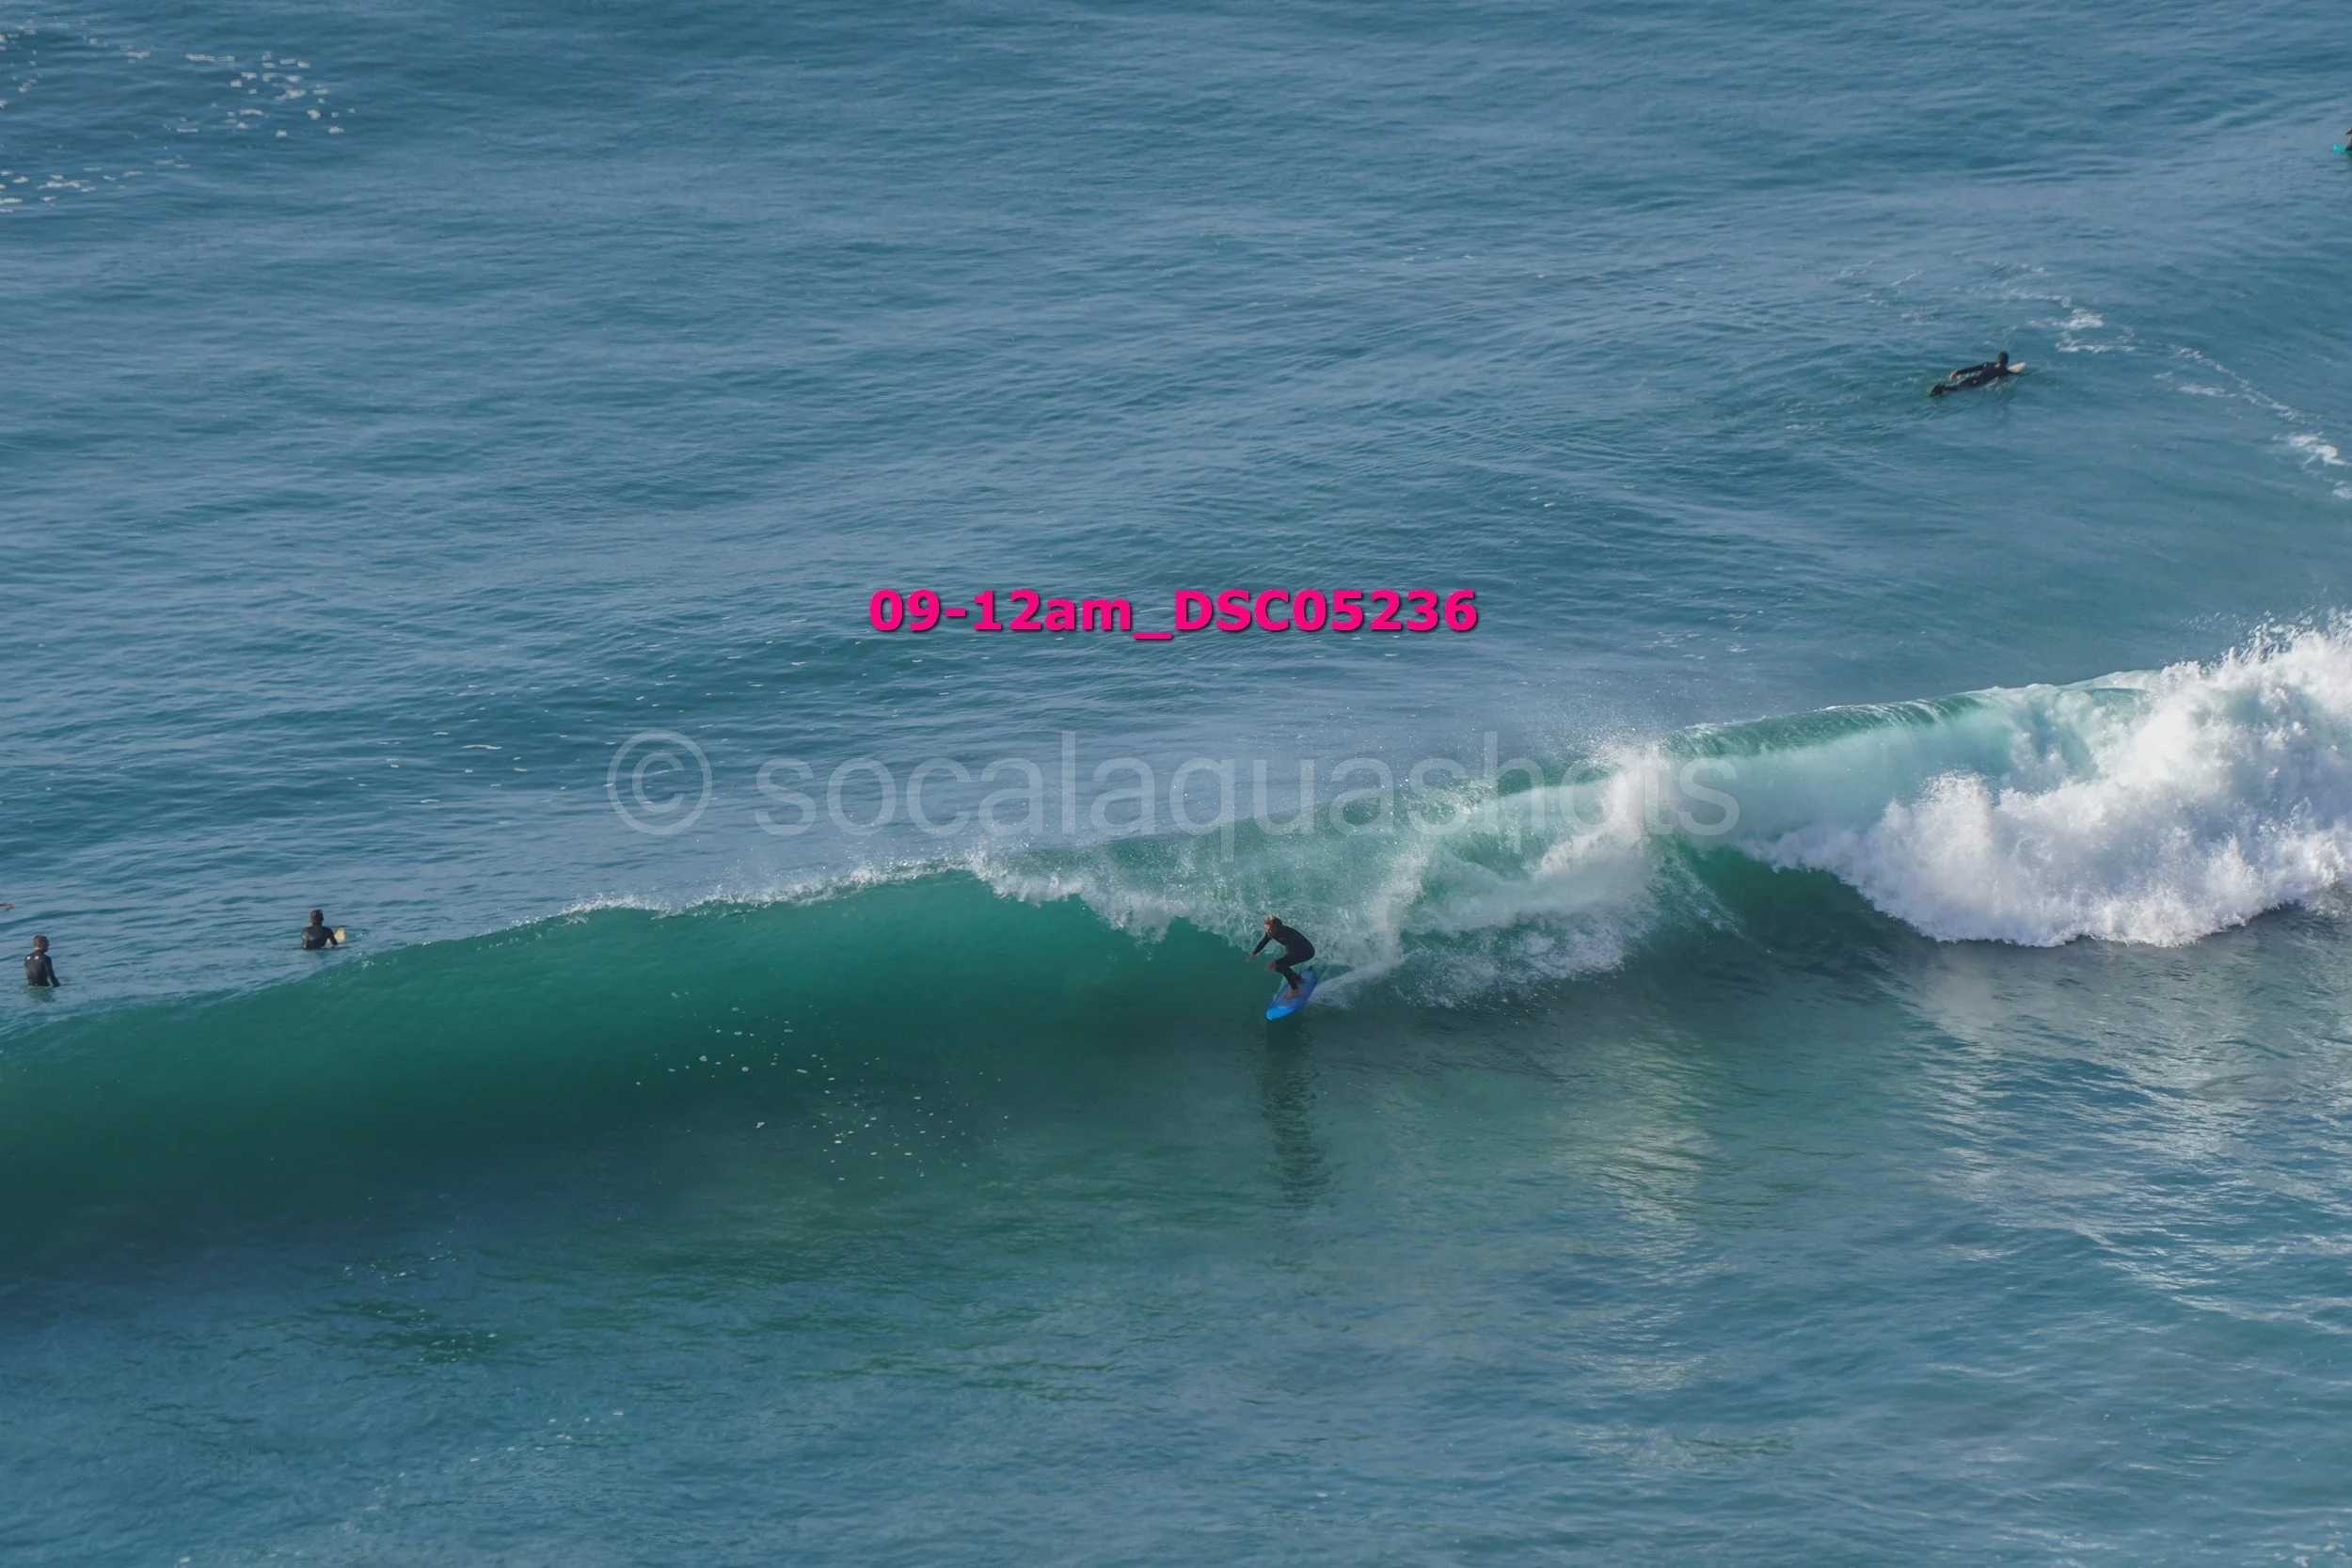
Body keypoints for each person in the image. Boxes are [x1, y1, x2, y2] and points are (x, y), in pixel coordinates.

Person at [1248, 915, 1316, 999]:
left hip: (1306, 952)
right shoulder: (1271, 931)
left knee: (1280, 966)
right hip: (1296, 951)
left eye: (1269, 929)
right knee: (1281, 965)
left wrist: (1275, 962)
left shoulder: (1286, 935)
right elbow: (1264, 940)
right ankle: (1299, 979)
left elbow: (1292, 953)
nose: (1267, 931)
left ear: (1277, 928)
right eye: (1266, 928)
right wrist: (1255, 952)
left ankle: (1295, 991)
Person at [1930, 350, 2021, 397]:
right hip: (1979, 384)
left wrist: (1956, 373)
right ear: (2006, 362)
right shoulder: (2005, 371)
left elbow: (1972, 369)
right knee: (1958, 390)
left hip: (1972, 378)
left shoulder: (1987, 364)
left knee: (1956, 386)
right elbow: (2017, 375)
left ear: (1997, 359)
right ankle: (1943, 389)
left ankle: (1942, 388)